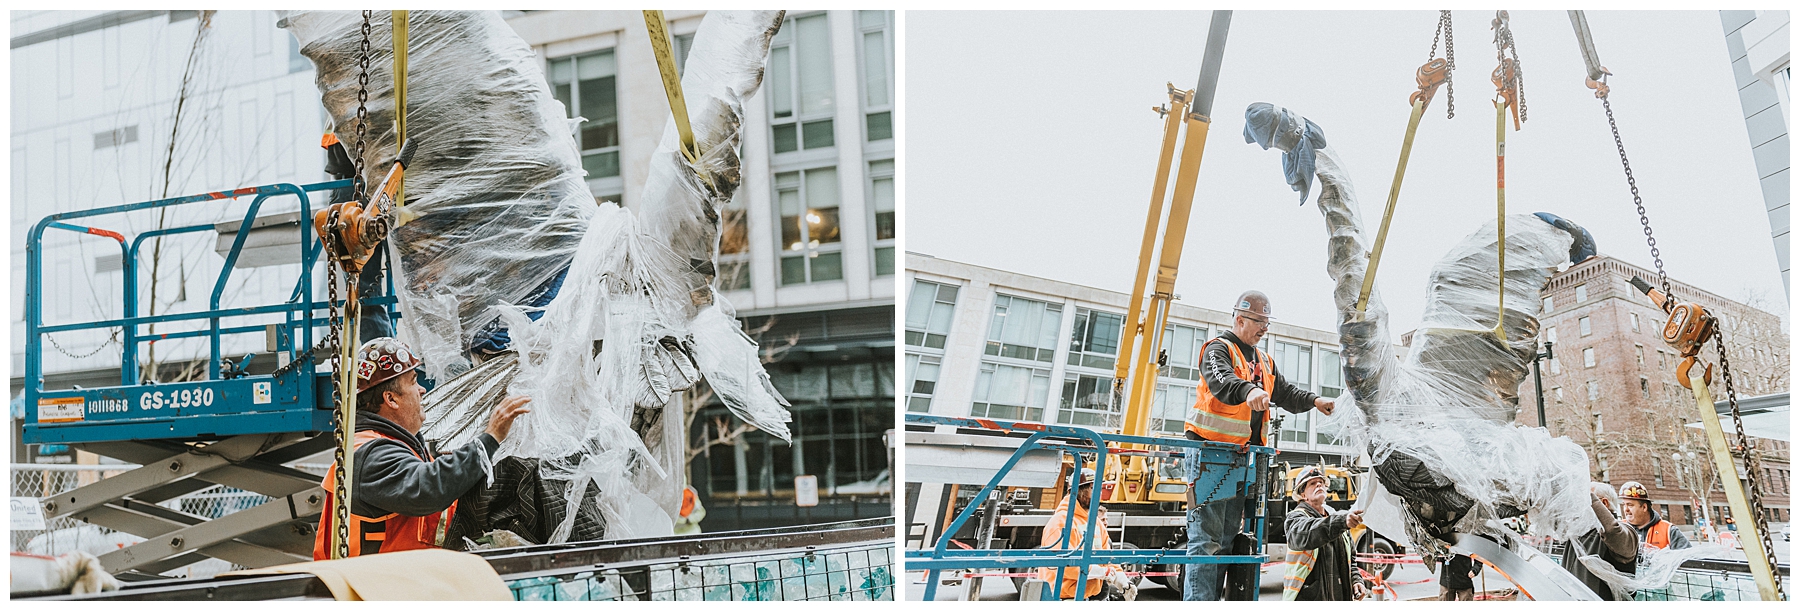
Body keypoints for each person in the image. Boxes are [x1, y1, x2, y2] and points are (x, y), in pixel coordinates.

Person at [312, 337, 532, 559]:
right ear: (391, 399)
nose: (422, 389)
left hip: (400, 582)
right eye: (413, 381)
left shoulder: (394, 445)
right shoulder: (368, 453)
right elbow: (427, 487)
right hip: (371, 587)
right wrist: (490, 437)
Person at [1183, 291, 1337, 600]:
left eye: (1267, 322)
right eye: (1259, 322)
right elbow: (1222, 382)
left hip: (1241, 459)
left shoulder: (1264, 361)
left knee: (1227, 539)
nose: (1264, 328)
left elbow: (1285, 393)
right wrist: (1247, 390)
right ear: (1240, 319)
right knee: (1206, 541)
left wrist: (1315, 401)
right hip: (1209, 454)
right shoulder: (1218, 349)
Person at [1037, 470, 1133, 600]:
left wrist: (1122, 581)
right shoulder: (1060, 522)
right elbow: (1063, 564)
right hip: (1061, 598)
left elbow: (1108, 557)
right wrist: (1101, 572)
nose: (1099, 494)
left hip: (1086, 596)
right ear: (1079, 491)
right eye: (1094, 488)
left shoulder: (1096, 524)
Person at [1282, 466, 1368, 601]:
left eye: (1321, 482)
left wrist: (1356, 580)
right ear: (1302, 494)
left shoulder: (1337, 518)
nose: (1318, 484)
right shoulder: (1295, 518)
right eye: (1312, 483)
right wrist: (1341, 522)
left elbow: (1351, 559)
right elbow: (1312, 532)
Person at [1558, 482, 1639, 600]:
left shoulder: (1627, 532)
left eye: (1583, 500)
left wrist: (1588, 497)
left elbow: (1612, 531)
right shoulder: (1578, 531)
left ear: (1604, 503)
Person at [1617, 481, 1691, 550]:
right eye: (1624, 505)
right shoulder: (1619, 529)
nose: (1626, 509)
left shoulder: (1669, 531)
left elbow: (1688, 558)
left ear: (1644, 507)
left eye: (1630, 505)